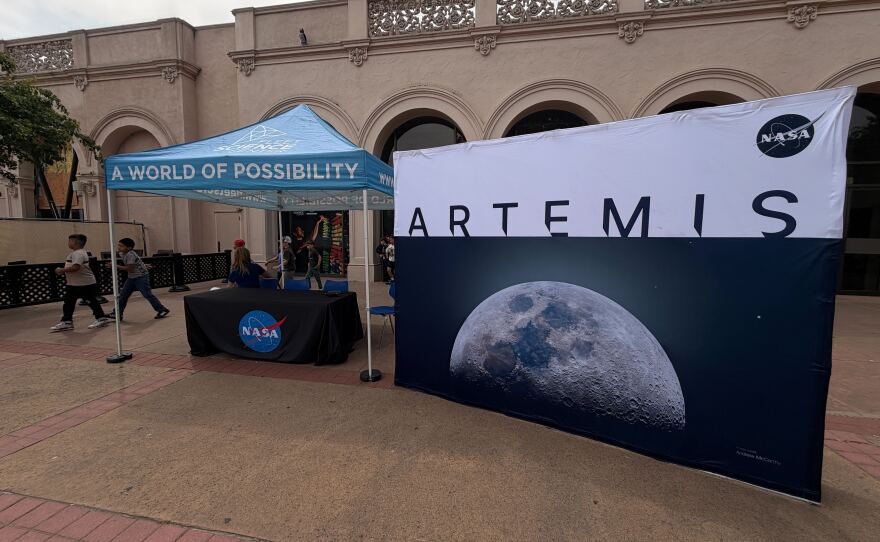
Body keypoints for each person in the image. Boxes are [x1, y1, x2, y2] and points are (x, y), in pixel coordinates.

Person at [50, 234, 112, 332]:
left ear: (75, 242)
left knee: (90, 301)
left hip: (84, 283)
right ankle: (67, 321)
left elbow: (76, 267)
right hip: (74, 284)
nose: (68, 243)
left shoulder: (78, 253)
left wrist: (62, 270)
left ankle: (101, 318)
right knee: (69, 302)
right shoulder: (77, 253)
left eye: (69, 241)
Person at [106, 238, 170, 321]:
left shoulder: (130, 255)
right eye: (118, 245)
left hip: (141, 277)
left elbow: (130, 269)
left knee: (147, 294)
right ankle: (117, 314)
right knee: (123, 295)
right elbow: (137, 262)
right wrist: (144, 265)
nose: (119, 247)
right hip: (132, 277)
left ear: (129, 248)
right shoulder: (122, 253)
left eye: (121, 246)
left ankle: (162, 310)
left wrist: (115, 266)